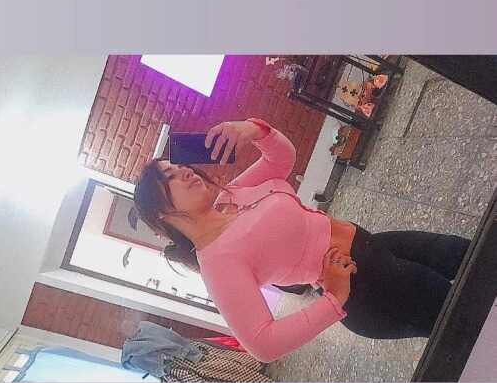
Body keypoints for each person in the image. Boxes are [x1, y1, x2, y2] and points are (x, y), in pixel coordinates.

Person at [133, 118, 470, 363]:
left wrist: (251, 130)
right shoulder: (217, 263)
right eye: (170, 177)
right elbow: (263, 344)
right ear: (161, 213)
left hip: (374, 246)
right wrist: (334, 299)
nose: (186, 171)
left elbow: (281, 160)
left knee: (466, 254)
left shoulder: (230, 195)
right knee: (472, 315)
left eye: (178, 166)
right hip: (370, 289)